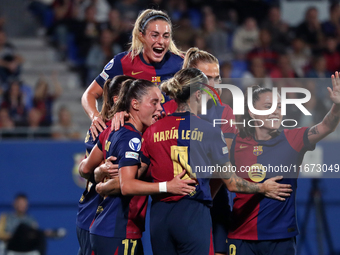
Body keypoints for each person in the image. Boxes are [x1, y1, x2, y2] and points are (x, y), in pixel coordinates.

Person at [119, 68, 292, 255]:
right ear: (199, 94)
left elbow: (133, 178)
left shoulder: (152, 131)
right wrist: (262, 188)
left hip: (159, 217)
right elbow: (232, 183)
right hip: (193, 214)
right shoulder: (209, 131)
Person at [79, 78, 196, 255]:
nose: (160, 109)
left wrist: (98, 176)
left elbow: (87, 169)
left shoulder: (114, 129)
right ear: (134, 104)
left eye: (160, 103)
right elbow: (126, 185)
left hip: (104, 226)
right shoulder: (132, 139)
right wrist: (167, 186)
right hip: (117, 228)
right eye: (154, 103)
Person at [227, 72, 340, 255]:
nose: (276, 111)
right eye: (268, 106)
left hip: (280, 239)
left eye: (279, 106)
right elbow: (225, 182)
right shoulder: (235, 141)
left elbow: (327, 125)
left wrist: (337, 105)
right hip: (240, 236)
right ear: (252, 111)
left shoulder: (293, 138)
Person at [81, 9, 183, 139]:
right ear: (141, 36)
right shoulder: (123, 62)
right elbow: (89, 94)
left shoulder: (181, 64)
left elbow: (201, 98)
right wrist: (95, 116)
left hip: (168, 141)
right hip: (134, 142)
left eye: (166, 36)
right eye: (154, 35)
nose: (161, 41)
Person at [76, 75, 135, 255]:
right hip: (101, 218)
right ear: (118, 100)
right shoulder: (114, 130)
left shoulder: (101, 125)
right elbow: (87, 169)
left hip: (91, 215)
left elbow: (84, 168)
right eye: (134, 97)